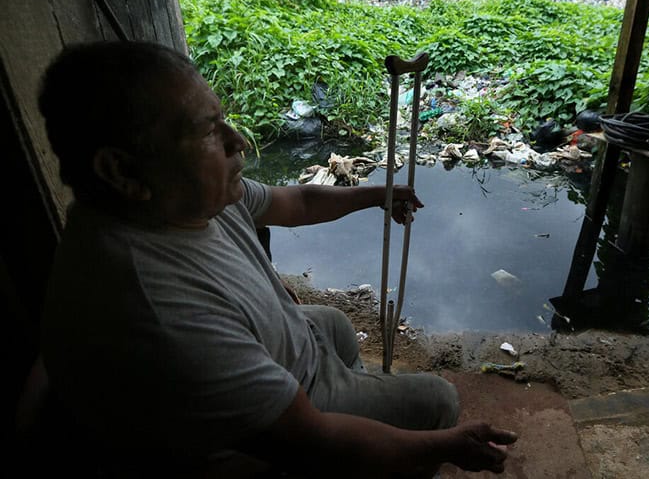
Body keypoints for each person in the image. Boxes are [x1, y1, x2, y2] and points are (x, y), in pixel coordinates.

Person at [37, 41, 516, 477]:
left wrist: (378, 193)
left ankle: (364, 404)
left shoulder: (173, 198)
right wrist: (443, 445)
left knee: (334, 324)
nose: (237, 142)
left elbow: (299, 203)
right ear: (120, 169)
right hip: (287, 423)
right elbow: (317, 439)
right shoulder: (157, 311)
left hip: (283, 365)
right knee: (438, 400)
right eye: (208, 131)